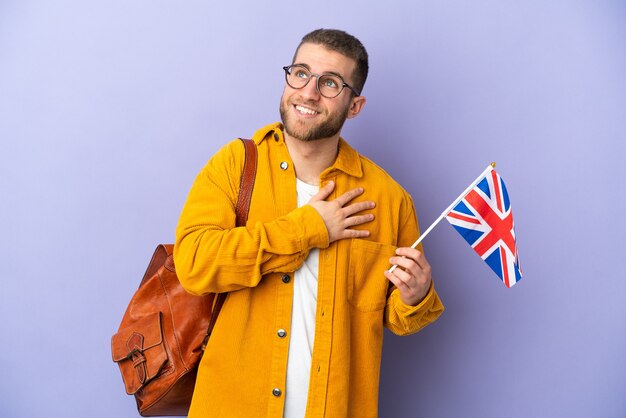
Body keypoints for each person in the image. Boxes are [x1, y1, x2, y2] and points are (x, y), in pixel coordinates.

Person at [174, 28, 444, 418]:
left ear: (355, 106)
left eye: (330, 83)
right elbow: (194, 265)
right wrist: (308, 228)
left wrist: (415, 296)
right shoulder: (235, 165)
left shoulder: (388, 199)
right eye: (300, 73)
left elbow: (396, 318)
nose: (309, 92)